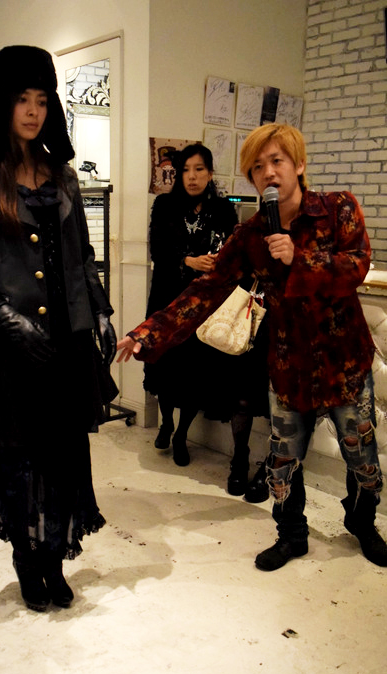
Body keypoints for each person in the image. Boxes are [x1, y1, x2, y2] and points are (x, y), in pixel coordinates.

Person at [118, 123, 387, 571]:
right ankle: (291, 534)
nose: (268, 173)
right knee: (283, 462)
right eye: (258, 167)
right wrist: (148, 333)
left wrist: (298, 257)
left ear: (299, 165)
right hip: (288, 365)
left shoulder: (338, 207)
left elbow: (357, 265)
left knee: (363, 460)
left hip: (345, 363)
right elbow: (205, 290)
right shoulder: (250, 235)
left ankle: (362, 524)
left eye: (277, 161)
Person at [0, 45, 118, 611]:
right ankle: (26, 559)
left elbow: (82, 255)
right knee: (17, 460)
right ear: (1, 104)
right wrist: (8, 321)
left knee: (62, 455)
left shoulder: (63, 177)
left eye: (42, 99)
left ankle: (54, 557)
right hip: (6, 347)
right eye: (23, 99)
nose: (34, 110)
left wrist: (102, 311)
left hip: (65, 343)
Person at [145, 143, 269, 503]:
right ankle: (166, 423)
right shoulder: (164, 205)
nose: (192, 177)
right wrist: (188, 260)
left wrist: (218, 262)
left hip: (205, 304)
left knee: (192, 373)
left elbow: (234, 250)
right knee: (164, 366)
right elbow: (158, 250)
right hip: (169, 297)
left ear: (210, 173)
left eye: (199, 169)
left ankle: (181, 435)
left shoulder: (222, 208)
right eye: (186, 170)